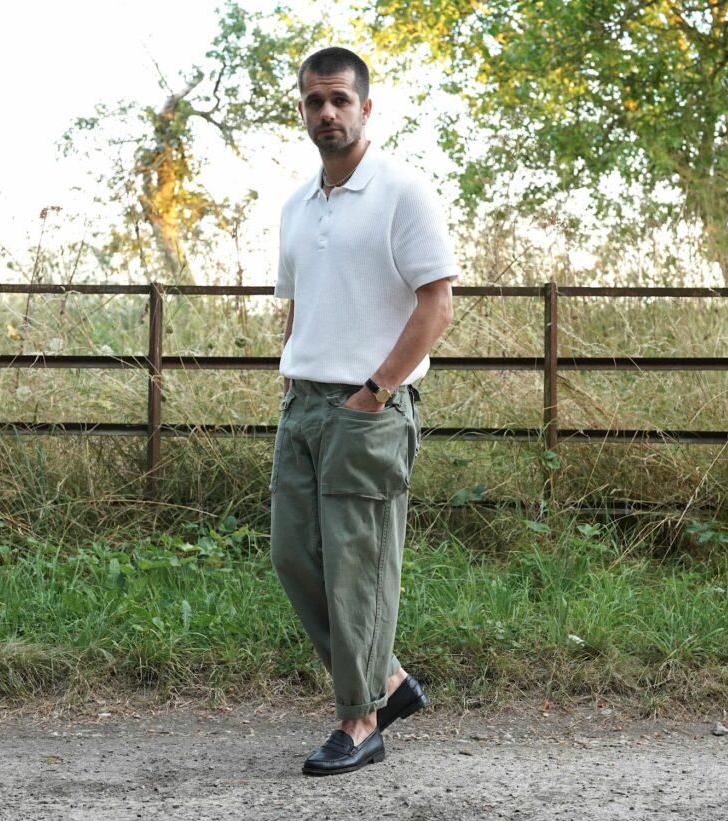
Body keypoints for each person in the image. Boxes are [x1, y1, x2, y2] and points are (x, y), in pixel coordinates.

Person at [270, 46, 456, 776]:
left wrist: (375, 391)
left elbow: (436, 306)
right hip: (303, 405)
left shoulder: (401, 193)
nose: (327, 114)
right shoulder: (294, 203)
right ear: (302, 110)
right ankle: (385, 680)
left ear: (365, 108)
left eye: (340, 101)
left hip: (367, 406)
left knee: (358, 569)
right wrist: (289, 380)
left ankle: (359, 720)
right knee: (294, 557)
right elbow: (298, 305)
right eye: (314, 101)